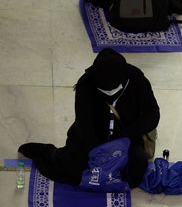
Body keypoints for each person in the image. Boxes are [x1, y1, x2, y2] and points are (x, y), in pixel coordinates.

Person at [19, 48, 160, 188]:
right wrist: (100, 153)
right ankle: (46, 152)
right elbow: (85, 124)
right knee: (72, 169)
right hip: (91, 140)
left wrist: (124, 137)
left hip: (127, 138)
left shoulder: (136, 79)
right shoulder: (85, 84)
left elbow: (153, 114)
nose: (109, 92)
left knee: (135, 171)